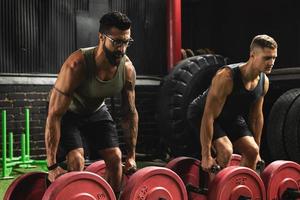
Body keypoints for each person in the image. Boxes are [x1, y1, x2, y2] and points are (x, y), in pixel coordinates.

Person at [45, 11, 138, 195]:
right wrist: (52, 165)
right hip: (68, 113)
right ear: (101, 37)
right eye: (117, 42)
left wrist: (132, 155)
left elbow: (129, 113)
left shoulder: (127, 70)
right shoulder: (76, 65)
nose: (122, 49)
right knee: (76, 159)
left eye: (126, 42)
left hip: (96, 110)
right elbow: (54, 115)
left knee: (115, 158)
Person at [187, 34, 277, 172]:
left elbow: (256, 117)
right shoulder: (226, 77)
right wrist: (206, 155)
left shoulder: (263, 82)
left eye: (274, 58)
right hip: (201, 113)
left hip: (230, 116)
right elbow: (208, 115)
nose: (271, 62)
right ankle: (216, 191)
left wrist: (257, 150)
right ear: (252, 55)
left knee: (252, 151)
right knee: (225, 150)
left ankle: (239, 189)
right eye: (267, 58)